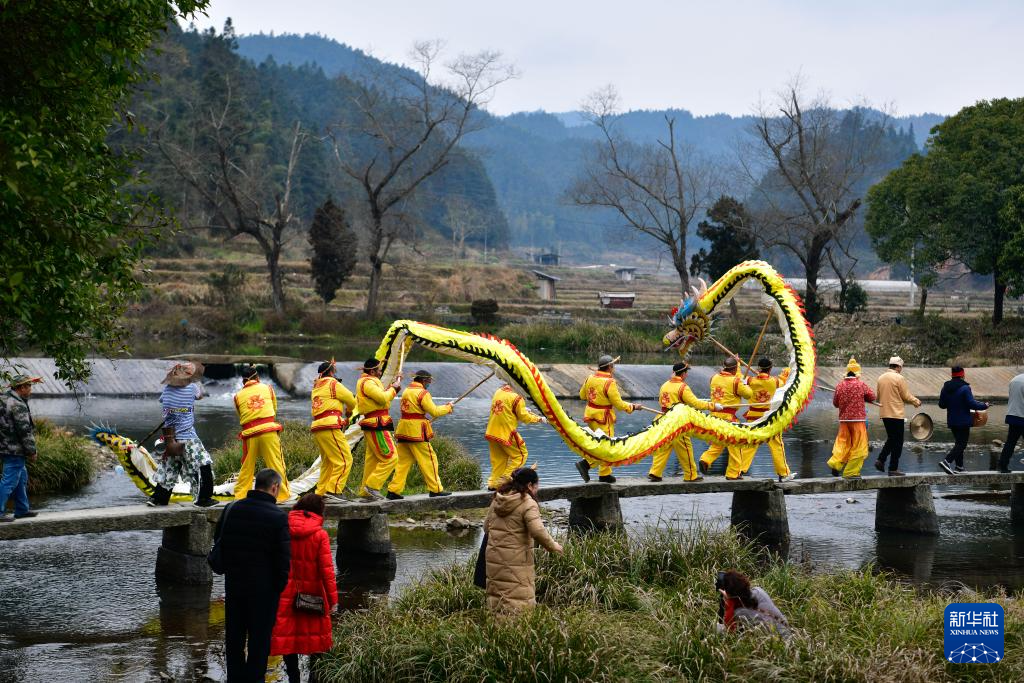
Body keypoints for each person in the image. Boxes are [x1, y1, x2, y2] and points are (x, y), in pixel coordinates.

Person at [216, 468, 291, 682]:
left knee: (235, 639)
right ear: (274, 487)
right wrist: (278, 587)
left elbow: (220, 541)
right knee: (259, 643)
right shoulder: (278, 517)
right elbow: (283, 560)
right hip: (264, 592)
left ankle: (235, 679)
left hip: (235, 586)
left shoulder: (233, 508)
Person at [269, 493, 339, 683]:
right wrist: (333, 601)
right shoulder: (320, 535)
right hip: (314, 595)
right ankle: (315, 678)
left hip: (284, 595)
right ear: (319, 511)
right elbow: (327, 571)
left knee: (287, 640)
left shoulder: (282, 528)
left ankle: (294, 678)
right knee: (316, 639)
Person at [484, 467, 563, 613]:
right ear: (529, 486)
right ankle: (519, 632)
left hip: (494, 557)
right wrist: (554, 546)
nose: (537, 489)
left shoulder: (498, 498)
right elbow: (537, 531)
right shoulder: (527, 502)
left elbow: (486, 528)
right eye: (536, 485)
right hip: (517, 559)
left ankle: (496, 630)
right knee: (519, 596)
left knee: (497, 595)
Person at [149, 362, 215, 507]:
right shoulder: (192, 388)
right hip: (188, 437)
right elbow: (200, 396)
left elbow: (162, 401)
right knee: (203, 464)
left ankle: (158, 498)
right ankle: (203, 499)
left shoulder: (166, 389)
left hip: (170, 438)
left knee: (170, 468)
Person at [388, 369, 454, 499]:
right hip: (416, 432)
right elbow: (434, 411)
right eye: (429, 381)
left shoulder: (406, 391)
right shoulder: (422, 393)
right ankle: (435, 489)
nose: (429, 383)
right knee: (430, 460)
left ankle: (393, 490)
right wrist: (448, 407)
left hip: (403, 429)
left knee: (402, 463)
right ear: (424, 380)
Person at [648, 362, 719, 482]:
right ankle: (691, 475)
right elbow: (695, 403)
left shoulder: (665, 385)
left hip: (663, 419)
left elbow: (661, 402)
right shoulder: (682, 387)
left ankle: (655, 472)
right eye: (687, 372)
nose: (687, 374)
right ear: (684, 373)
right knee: (685, 448)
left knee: (664, 447)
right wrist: (712, 406)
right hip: (677, 422)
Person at [574, 354, 640, 483]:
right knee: (607, 445)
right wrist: (633, 406)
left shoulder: (590, 378)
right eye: (613, 366)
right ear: (610, 367)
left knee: (597, 444)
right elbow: (619, 405)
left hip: (590, 414)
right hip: (604, 417)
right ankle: (596, 470)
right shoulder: (610, 382)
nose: (614, 368)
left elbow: (582, 395)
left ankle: (594, 468)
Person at [233, 366, 290, 502]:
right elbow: (274, 409)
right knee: (276, 463)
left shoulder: (237, 396)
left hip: (250, 433)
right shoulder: (268, 388)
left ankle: (240, 495)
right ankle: (282, 495)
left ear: (243, 380)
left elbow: (240, 415)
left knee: (247, 466)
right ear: (257, 377)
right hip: (268, 431)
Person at [737, 357, 795, 482]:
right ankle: (783, 474)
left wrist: (737, 363)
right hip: (770, 418)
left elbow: (739, 379)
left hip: (753, 417)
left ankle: (738, 470)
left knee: (750, 444)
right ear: (771, 369)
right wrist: (789, 368)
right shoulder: (775, 381)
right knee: (777, 445)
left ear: (758, 368)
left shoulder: (750, 380)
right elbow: (785, 378)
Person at [699, 356, 754, 480]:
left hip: (714, 417)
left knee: (718, 442)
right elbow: (748, 394)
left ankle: (706, 459)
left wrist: (738, 369)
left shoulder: (713, 378)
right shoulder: (736, 381)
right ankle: (733, 473)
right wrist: (745, 384)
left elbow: (733, 379)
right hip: (728, 418)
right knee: (735, 444)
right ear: (734, 369)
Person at [309, 360, 357, 501]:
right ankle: (334, 490)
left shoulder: (316, 386)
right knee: (345, 459)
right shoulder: (334, 384)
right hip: (329, 425)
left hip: (318, 426)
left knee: (328, 462)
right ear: (331, 372)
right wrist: (348, 411)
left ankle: (321, 493)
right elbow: (351, 399)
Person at [485, 383, 546, 491]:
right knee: (521, 455)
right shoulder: (517, 398)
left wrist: (522, 409)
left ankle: (493, 484)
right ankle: (504, 480)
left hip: (492, 432)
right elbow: (525, 418)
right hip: (507, 433)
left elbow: (505, 410)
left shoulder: (499, 391)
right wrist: (539, 419)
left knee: (499, 461)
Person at [355, 357, 401, 500]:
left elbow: (383, 400)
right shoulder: (368, 382)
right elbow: (382, 399)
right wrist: (394, 389)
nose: (381, 372)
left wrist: (394, 388)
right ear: (373, 371)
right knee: (390, 457)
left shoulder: (368, 382)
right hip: (377, 424)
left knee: (373, 460)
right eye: (379, 370)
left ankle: (365, 491)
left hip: (376, 422)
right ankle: (372, 486)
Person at [0, 374, 42, 522]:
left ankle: (22, 510)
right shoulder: (18, 404)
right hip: (14, 449)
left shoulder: (4, 399)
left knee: (21, 477)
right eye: (29, 386)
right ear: (22, 387)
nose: (31, 389)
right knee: (9, 480)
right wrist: (32, 451)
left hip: (4, 446)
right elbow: (24, 431)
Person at [826, 358, 877, 480]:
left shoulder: (839, 386)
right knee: (859, 446)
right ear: (857, 374)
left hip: (844, 421)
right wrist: (863, 397)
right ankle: (851, 472)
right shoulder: (861, 385)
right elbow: (872, 396)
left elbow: (835, 403)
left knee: (843, 443)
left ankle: (836, 463)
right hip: (858, 421)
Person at [873, 356, 921, 477]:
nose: (901, 369)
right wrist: (916, 401)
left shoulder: (881, 378)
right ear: (898, 366)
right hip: (896, 414)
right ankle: (892, 468)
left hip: (884, 413)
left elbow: (878, 397)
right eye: (901, 367)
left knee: (892, 438)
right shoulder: (899, 378)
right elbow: (905, 396)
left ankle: (881, 460)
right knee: (898, 441)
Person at [938, 366, 990, 474]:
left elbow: (941, 405)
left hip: (952, 421)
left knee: (958, 443)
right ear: (962, 375)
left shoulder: (945, 388)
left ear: (952, 375)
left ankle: (959, 467)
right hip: (963, 421)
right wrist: (984, 405)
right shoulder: (965, 388)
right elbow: (971, 403)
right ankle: (947, 461)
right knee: (962, 444)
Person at [716, 569, 790, 638]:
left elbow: (730, 629)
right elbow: (746, 601)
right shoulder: (759, 590)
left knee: (717, 629)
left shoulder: (740, 613)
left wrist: (728, 601)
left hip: (778, 642)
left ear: (731, 594)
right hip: (786, 632)